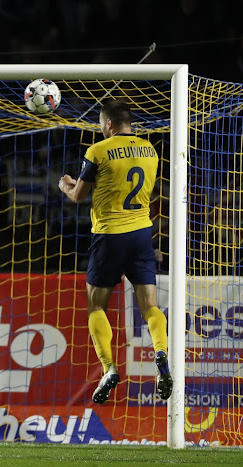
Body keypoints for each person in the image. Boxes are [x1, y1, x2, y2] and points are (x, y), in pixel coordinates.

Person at [57, 99, 173, 404]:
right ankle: (160, 353)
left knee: (96, 307)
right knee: (149, 305)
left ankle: (109, 369)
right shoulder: (150, 149)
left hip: (109, 237)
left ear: (108, 123)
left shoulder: (98, 150)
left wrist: (66, 185)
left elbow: (79, 196)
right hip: (141, 235)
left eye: (99, 122)